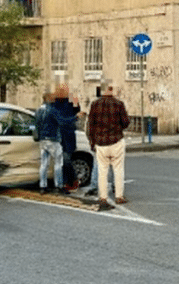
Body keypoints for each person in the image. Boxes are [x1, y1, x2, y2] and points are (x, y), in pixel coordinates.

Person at [87, 81, 130, 210]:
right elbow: (126, 123)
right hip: (116, 140)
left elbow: (90, 125)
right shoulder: (118, 104)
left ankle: (103, 197)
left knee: (102, 171)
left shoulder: (95, 105)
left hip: (100, 142)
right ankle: (119, 196)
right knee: (118, 170)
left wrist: (92, 142)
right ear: (110, 90)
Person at [52, 83, 82, 193]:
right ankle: (70, 181)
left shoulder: (69, 101)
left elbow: (76, 110)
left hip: (68, 135)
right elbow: (60, 120)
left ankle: (69, 182)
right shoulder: (54, 103)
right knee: (64, 160)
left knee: (66, 159)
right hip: (58, 135)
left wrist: (76, 103)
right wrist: (74, 118)